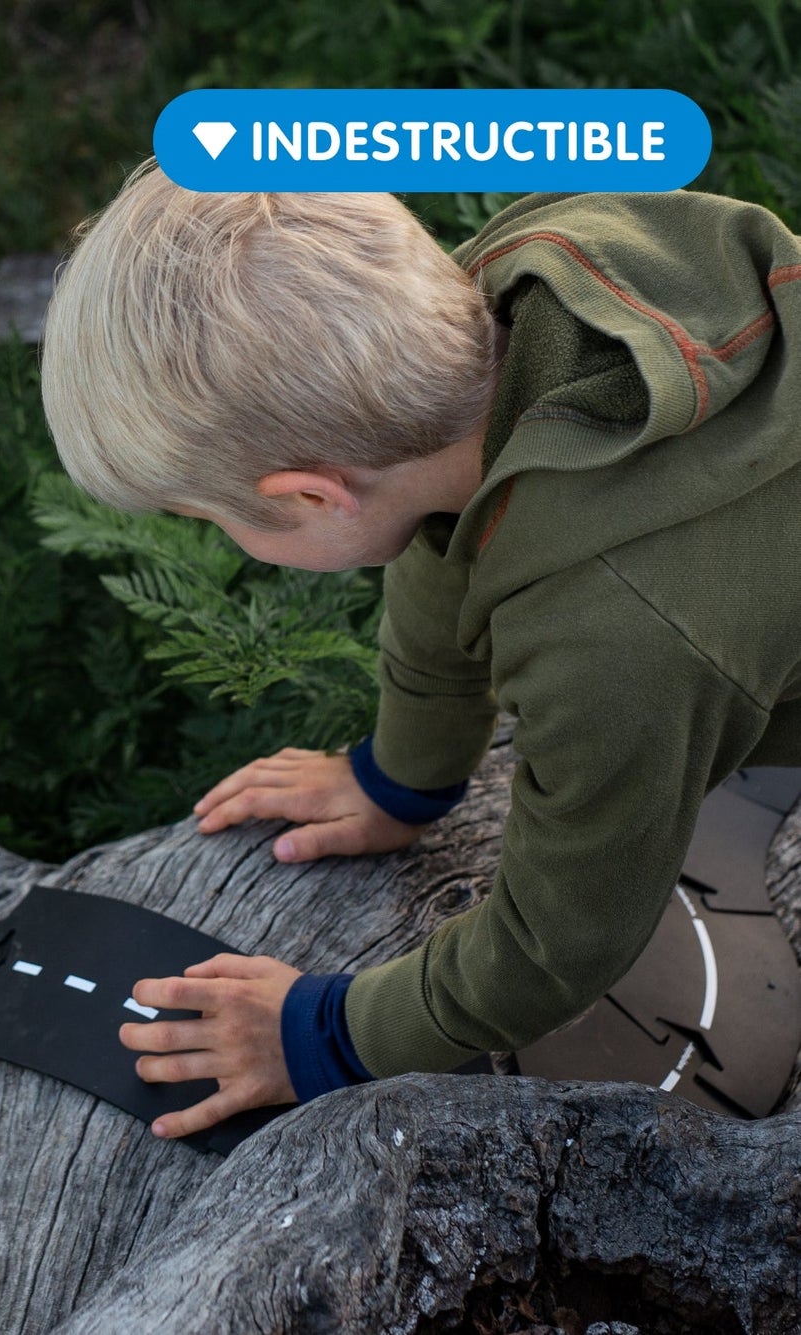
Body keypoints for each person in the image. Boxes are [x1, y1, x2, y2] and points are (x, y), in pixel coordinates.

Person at [39, 163, 801, 1139]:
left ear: (310, 497)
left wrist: (324, 1034)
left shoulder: (616, 639)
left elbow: (559, 943)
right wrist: (401, 774)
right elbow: (449, 536)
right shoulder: (538, 270)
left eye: (207, 518)